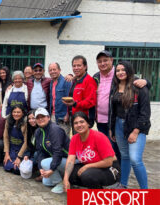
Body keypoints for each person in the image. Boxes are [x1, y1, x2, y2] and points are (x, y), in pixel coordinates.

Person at [93, 50, 149, 164]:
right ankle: (112, 172)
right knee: (106, 148)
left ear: (111, 60)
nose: (102, 63)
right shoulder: (96, 77)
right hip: (100, 120)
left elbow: (137, 82)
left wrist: (146, 81)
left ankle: (119, 174)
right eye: (100, 61)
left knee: (117, 149)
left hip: (115, 120)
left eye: (105, 60)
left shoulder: (118, 74)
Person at [109, 61, 150, 189]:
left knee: (135, 160)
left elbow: (145, 112)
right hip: (118, 126)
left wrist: (136, 131)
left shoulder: (138, 86)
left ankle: (145, 190)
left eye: (123, 70)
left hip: (136, 127)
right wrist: (112, 128)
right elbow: (113, 110)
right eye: (118, 70)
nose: (120, 73)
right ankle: (123, 184)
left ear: (129, 70)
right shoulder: (115, 86)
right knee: (125, 156)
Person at [63, 112, 120, 190]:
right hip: (92, 167)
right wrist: (65, 179)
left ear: (88, 124)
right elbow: (70, 160)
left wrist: (87, 166)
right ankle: (86, 190)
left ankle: (101, 194)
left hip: (109, 168)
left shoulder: (99, 137)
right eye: (75, 123)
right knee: (70, 173)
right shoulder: (74, 138)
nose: (79, 125)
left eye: (82, 122)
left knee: (87, 175)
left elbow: (108, 162)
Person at [33, 108, 70, 194]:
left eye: (43, 116)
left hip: (70, 160)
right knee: (46, 182)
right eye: (38, 118)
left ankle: (60, 184)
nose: (40, 119)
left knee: (45, 163)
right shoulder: (38, 131)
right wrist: (40, 168)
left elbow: (58, 152)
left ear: (49, 117)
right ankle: (61, 176)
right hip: (59, 160)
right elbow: (40, 151)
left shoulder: (55, 130)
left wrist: (52, 169)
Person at [62, 56, 97, 128]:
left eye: (79, 65)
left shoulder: (89, 81)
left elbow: (91, 102)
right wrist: (68, 113)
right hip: (75, 118)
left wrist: (75, 104)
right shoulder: (75, 80)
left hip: (84, 120)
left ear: (85, 67)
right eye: (74, 66)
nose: (76, 68)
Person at [48, 62, 72, 136]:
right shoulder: (51, 83)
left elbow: (69, 99)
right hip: (53, 115)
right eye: (50, 70)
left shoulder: (66, 81)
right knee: (55, 137)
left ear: (59, 70)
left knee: (64, 138)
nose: (52, 72)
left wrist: (67, 114)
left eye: (54, 69)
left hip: (63, 116)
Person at [3, 105, 28, 174]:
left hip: (22, 149)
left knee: (17, 169)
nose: (16, 114)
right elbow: (6, 137)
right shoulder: (8, 120)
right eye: (14, 112)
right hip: (12, 148)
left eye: (18, 112)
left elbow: (26, 142)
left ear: (23, 113)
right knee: (7, 166)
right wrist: (7, 153)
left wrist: (19, 157)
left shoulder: (25, 123)